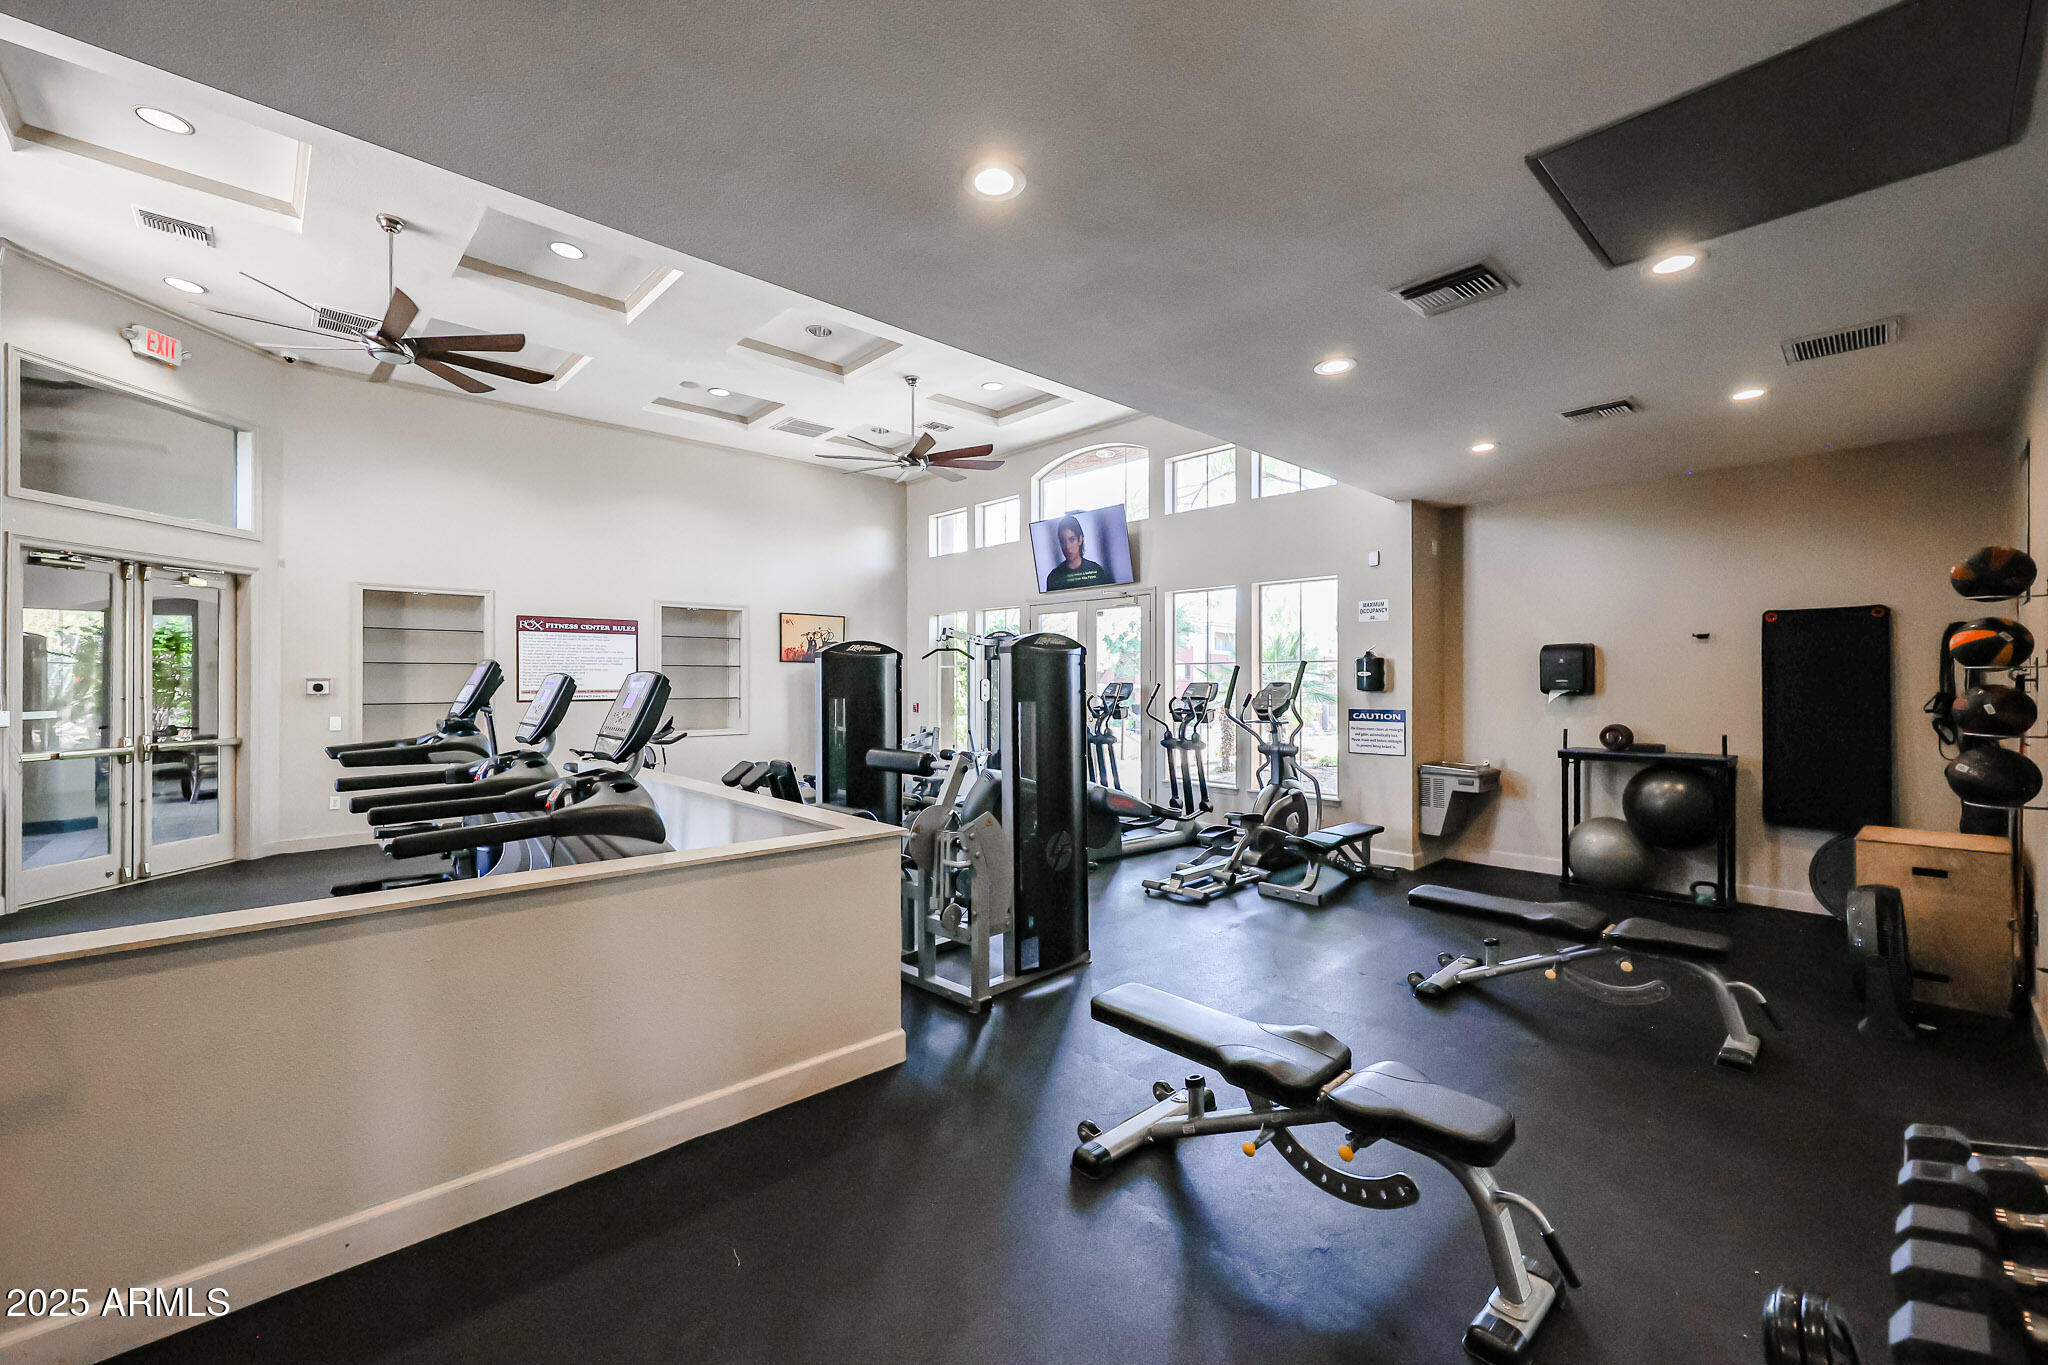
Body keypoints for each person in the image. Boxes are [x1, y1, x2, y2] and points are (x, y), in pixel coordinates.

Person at [1044, 515, 1112, 592]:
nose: (1067, 546)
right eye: (1063, 541)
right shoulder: (1054, 577)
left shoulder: (1096, 571)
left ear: (1080, 539)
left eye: (1071, 540)